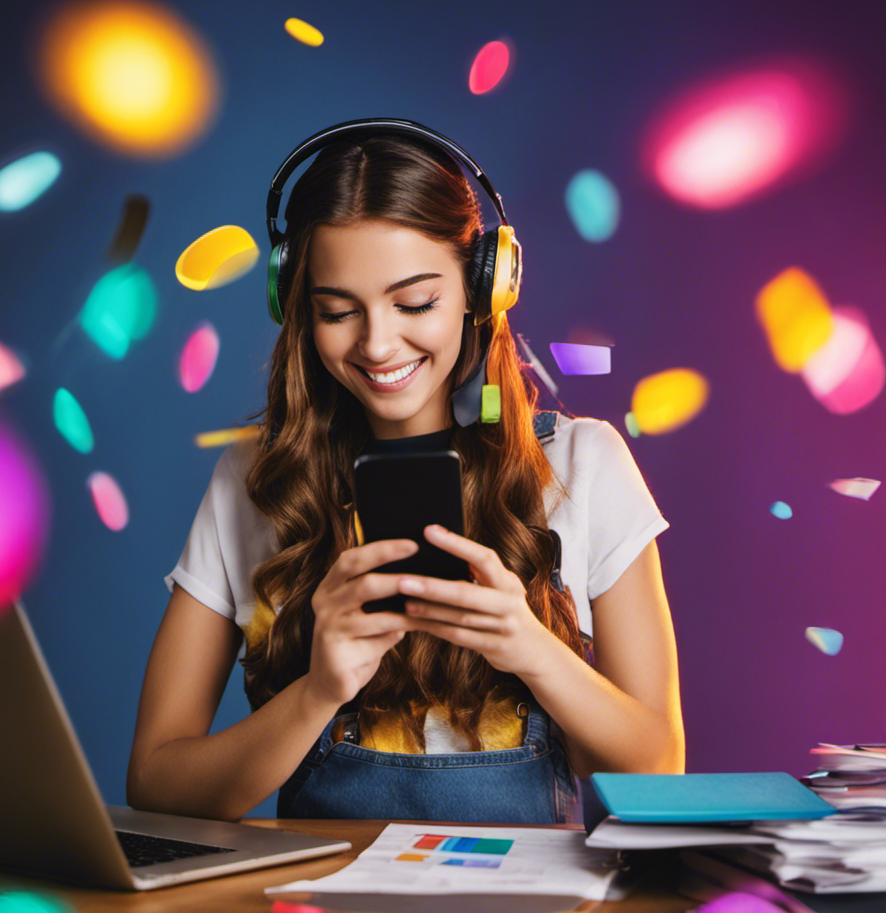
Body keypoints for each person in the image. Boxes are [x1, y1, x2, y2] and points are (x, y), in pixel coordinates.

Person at [127, 120, 684, 825]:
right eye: (337, 311)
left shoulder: (583, 464)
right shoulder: (252, 483)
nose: (378, 342)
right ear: (297, 306)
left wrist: (533, 650)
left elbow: (658, 769)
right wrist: (318, 691)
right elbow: (156, 781)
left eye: (415, 302)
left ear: (485, 288)